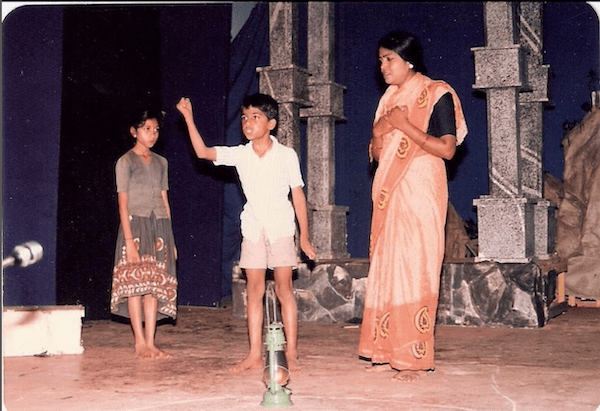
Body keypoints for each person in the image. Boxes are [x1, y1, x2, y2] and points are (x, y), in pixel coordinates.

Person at [176, 93, 316, 374]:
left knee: (283, 288)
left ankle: (292, 351)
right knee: (254, 292)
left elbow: (298, 196)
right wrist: (189, 118)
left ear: (271, 123)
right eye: (244, 117)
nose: (248, 122)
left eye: (256, 117)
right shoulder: (240, 154)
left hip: (280, 229)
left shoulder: (287, 155)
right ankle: (254, 353)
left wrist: (304, 236)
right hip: (252, 228)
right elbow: (204, 152)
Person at [358, 31, 468, 382]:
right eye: (380, 60)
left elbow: (448, 149)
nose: (383, 67)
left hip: (421, 187)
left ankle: (414, 357)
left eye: (389, 59)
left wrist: (405, 125)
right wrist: (379, 131)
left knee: (414, 267)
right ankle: (388, 348)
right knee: (391, 267)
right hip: (391, 190)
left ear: (409, 61)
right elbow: (375, 155)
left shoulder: (437, 93)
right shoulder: (388, 98)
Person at [110, 108, 178, 360]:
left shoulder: (162, 163)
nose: (152, 134)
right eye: (147, 129)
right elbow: (123, 205)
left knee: (153, 288)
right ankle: (139, 342)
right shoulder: (125, 162)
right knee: (135, 286)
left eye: (156, 130)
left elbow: (164, 199)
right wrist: (130, 241)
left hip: (159, 226)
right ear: (134, 131)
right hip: (135, 227)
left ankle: (151, 342)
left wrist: (170, 238)